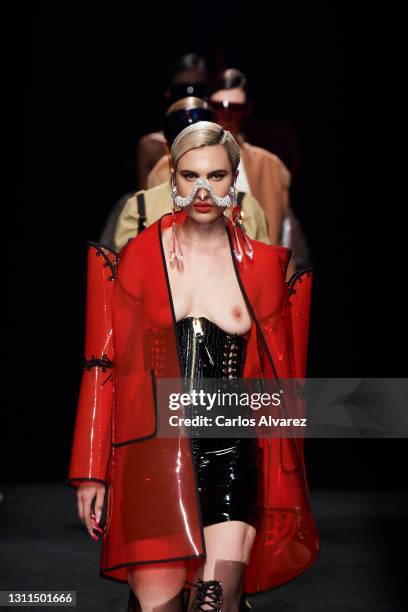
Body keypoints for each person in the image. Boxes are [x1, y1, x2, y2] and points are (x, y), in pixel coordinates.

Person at [67, 121, 319, 611]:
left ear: (233, 178)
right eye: (190, 175)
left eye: (217, 175)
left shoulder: (265, 266)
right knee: (157, 607)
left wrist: (287, 470)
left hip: (231, 450)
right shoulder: (139, 258)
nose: (203, 188)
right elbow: (103, 362)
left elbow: (281, 379)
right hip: (150, 457)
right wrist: (91, 472)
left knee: (215, 602)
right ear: (173, 179)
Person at [103, 96, 270, 254]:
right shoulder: (139, 208)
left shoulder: (247, 207)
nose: (193, 149)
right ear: (167, 147)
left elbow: (262, 272)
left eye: (204, 139)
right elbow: (126, 275)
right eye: (181, 141)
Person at [136, 53, 208, 189]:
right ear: (168, 94)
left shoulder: (221, 141)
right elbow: (144, 204)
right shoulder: (152, 147)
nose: (189, 99)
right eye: (182, 91)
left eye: (197, 90)